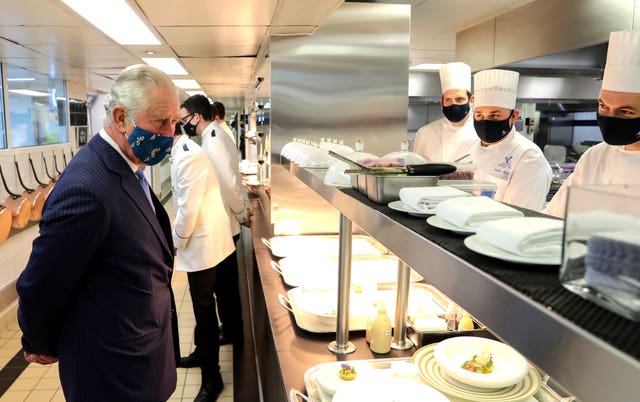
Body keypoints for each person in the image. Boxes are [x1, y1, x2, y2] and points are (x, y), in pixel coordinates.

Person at [16, 64, 180, 402]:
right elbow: (42, 282)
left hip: (140, 354)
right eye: (160, 121)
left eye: (175, 123)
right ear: (121, 118)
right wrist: (41, 343)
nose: (169, 134)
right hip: (113, 375)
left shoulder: (127, 164)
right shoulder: (88, 187)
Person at [170, 121, 235, 402]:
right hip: (209, 242)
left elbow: (188, 209)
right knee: (204, 310)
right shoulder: (186, 150)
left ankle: (212, 379)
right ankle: (200, 354)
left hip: (204, 248)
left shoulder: (186, 156)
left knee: (205, 314)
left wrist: (173, 244)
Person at [180, 95, 251, 347]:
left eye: (184, 118)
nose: (183, 124)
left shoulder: (213, 141)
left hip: (226, 223)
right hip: (225, 221)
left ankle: (233, 331)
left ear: (196, 117)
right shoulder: (216, 135)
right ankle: (231, 329)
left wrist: (242, 213)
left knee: (226, 288)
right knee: (225, 287)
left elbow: (228, 184)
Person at [545, 31, 640, 217]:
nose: (611, 118)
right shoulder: (595, 156)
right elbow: (554, 217)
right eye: (603, 106)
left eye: (626, 111)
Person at [470, 69, 552, 211]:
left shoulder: (528, 156)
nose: (485, 122)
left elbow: (519, 215)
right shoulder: (471, 148)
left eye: (495, 115)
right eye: (479, 115)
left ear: (513, 116)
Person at [410, 62, 478, 162]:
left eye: (459, 99)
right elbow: (413, 170)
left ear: (471, 101)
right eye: (448, 100)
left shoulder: (481, 134)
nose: (453, 104)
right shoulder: (425, 134)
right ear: (442, 103)